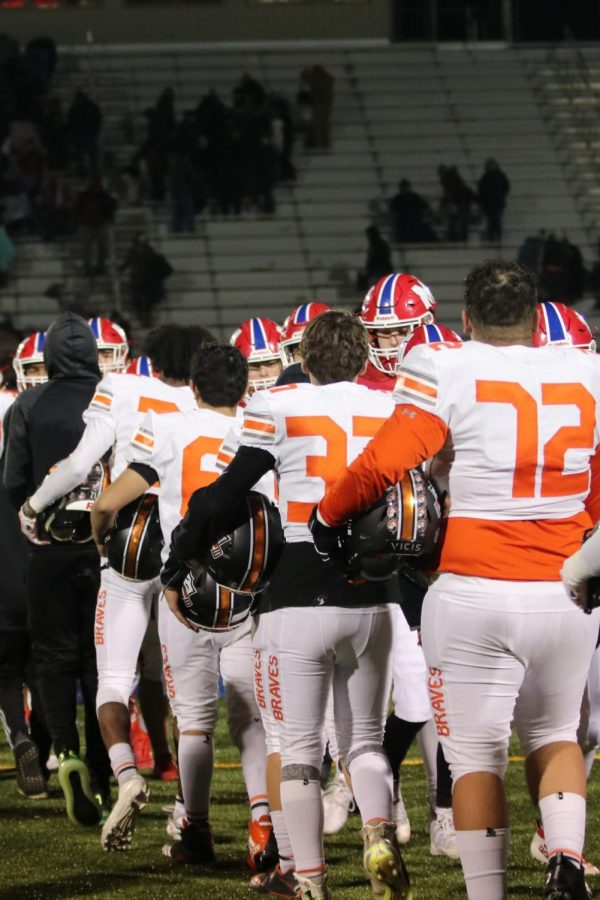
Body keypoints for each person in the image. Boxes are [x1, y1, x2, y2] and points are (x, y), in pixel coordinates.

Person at [311, 260, 600, 899]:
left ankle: (487, 891)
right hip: (564, 591)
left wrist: (328, 514)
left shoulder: (448, 364)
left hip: (472, 587)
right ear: (534, 319)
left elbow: (387, 459)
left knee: (475, 759)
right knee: (556, 734)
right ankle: (568, 859)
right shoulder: (587, 370)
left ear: (464, 320)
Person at [164, 311, 411, 900]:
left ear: (304, 356)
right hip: (372, 590)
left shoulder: (279, 405)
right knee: (365, 742)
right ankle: (378, 830)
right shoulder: (389, 407)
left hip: (296, 588)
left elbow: (224, 494)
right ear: (361, 357)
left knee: (297, 748)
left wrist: (179, 563)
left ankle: (308, 879)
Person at [23, 324, 213, 851]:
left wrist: (35, 506)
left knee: (113, 678)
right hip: (188, 549)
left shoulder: (123, 388)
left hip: (129, 540)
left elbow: (82, 465)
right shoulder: (204, 404)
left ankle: (127, 772)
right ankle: (190, 815)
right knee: (187, 697)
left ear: (147, 355)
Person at [90, 344, 272, 869]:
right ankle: (262, 826)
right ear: (243, 389)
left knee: (194, 721)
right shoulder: (260, 432)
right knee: (249, 716)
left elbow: (107, 502)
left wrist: (104, 542)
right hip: (243, 589)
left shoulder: (166, 427)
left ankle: (197, 830)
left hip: (184, 591)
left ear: (193, 387)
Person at [3, 312, 111, 827]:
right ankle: (104, 764)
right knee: (99, 661)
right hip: (104, 548)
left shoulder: (27, 403)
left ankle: (63, 752)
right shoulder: (118, 395)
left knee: (51, 657)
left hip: (46, 545)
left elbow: (14, 480)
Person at [73, 179, 117, 278]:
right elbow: (76, 209)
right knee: (86, 248)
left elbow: (113, 206)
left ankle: (100, 267)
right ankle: (87, 269)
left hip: (101, 223)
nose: (96, 188)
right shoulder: (83, 196)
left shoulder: (104, 196)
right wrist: (77, 222)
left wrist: (110, 218)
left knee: (102, 247)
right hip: (87, 224)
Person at [477, 159, 510, 243]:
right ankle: (493, 236)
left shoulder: (497, 176)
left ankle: (496, 236)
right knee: (492, 220)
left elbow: (506, 187)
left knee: (495, 220)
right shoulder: (492, 176)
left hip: (495, 202)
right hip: (491, 202)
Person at [357, 226, 393, 293]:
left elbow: (377, 259)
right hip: (378, 271)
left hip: (380, 271)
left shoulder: (379, 245)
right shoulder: (375, 245)